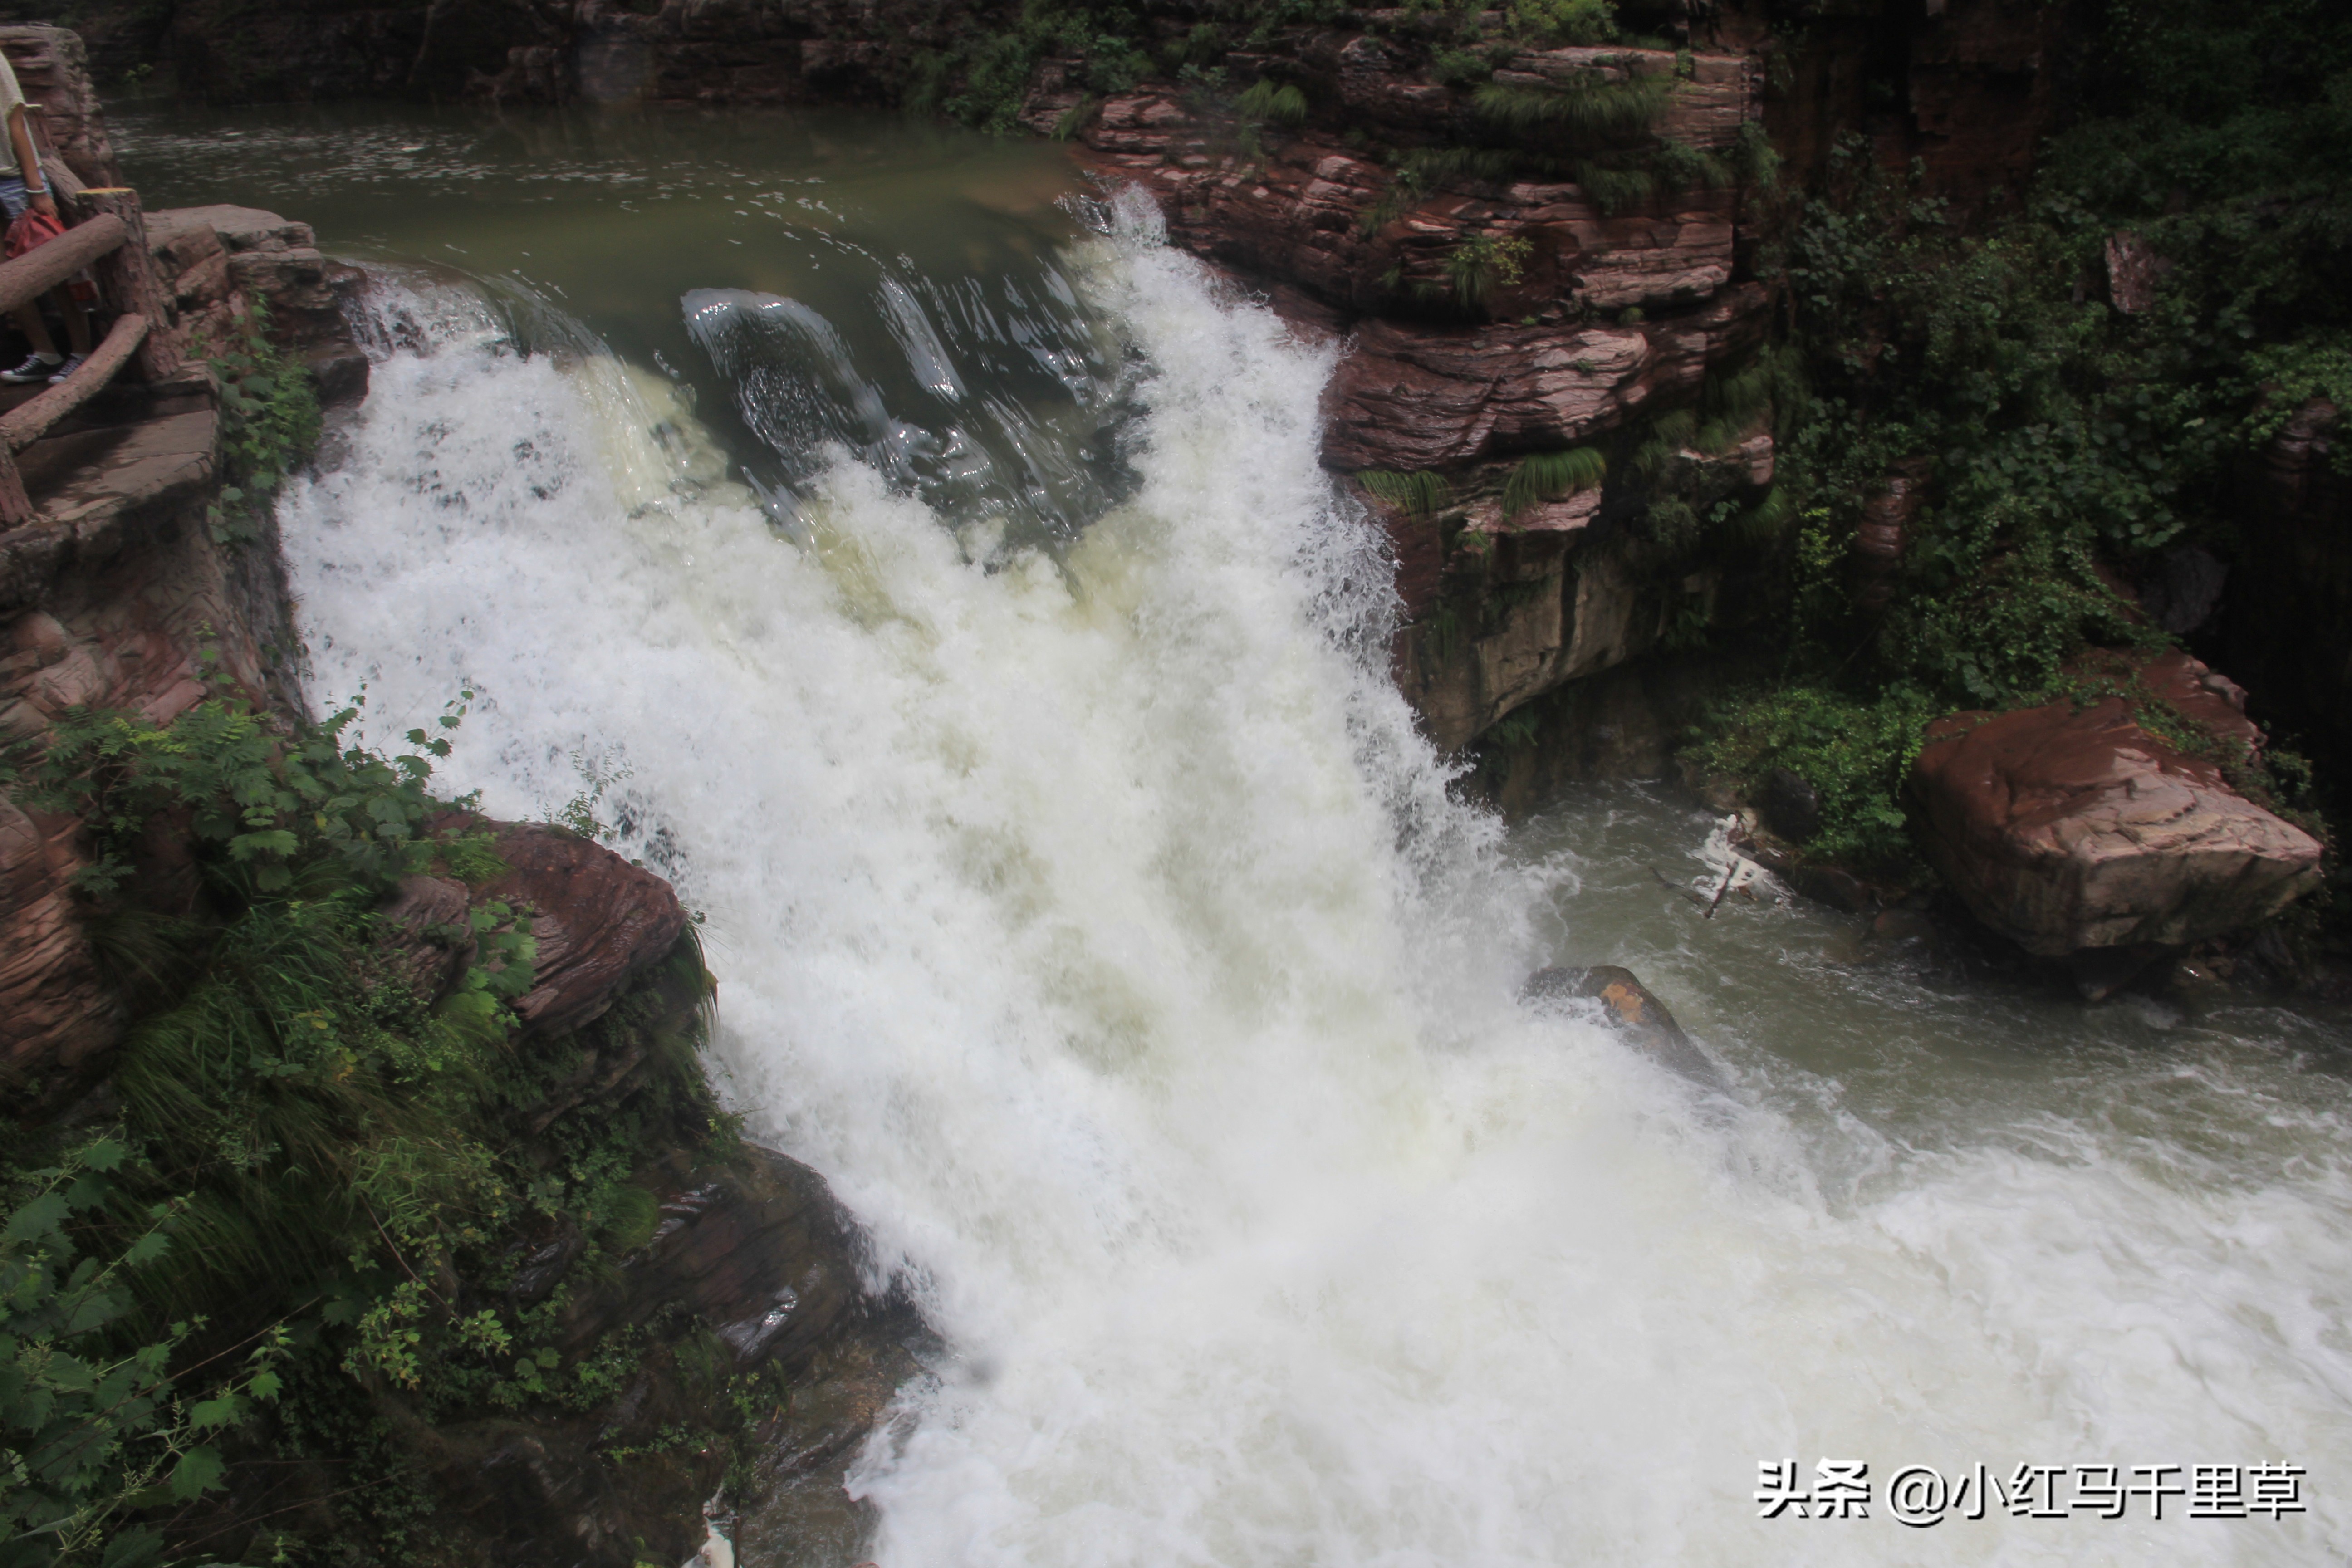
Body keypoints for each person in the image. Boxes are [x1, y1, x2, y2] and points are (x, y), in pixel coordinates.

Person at [0, 45, 91, 386]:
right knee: (7, 275)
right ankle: (44, 353)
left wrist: (36, 187)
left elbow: (15, 119)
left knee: (53, 267)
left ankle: (81, 353)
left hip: (12, 178)